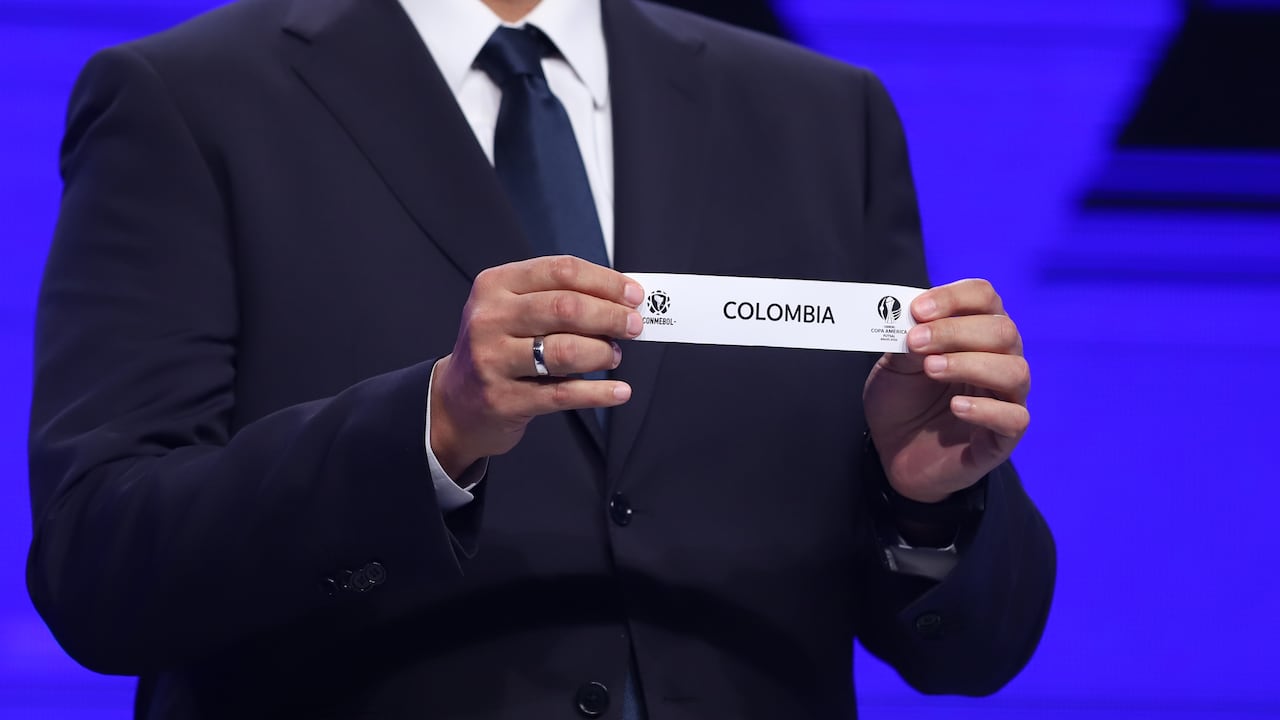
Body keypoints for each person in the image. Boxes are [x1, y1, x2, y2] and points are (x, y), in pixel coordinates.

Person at [26, 0, 1055, 717]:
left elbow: (971, 654)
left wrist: (922, 502)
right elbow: (102, 569)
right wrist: (429, 432)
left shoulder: (822, 114)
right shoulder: (187, 99)